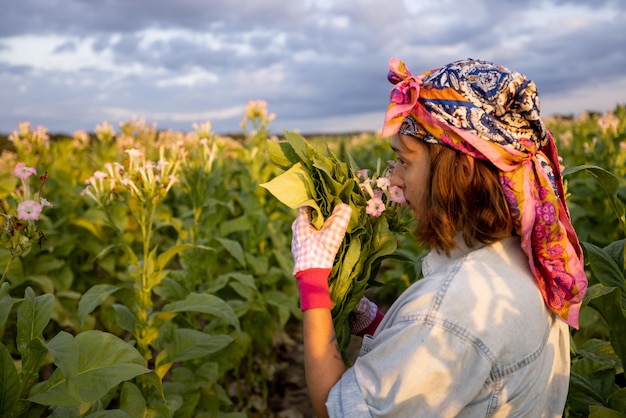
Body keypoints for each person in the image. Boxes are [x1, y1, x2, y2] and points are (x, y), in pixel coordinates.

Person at [290, 58, 588, 417]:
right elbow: (463, 367)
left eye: (405, 161)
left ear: (461, 172)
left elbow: (333, 409)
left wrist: (313, 283)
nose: (396, 180)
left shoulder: (453, 309)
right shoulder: (526, 260)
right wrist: (378, 325)